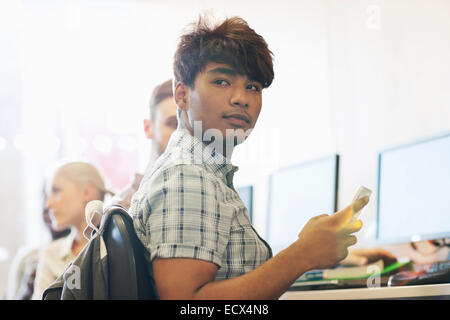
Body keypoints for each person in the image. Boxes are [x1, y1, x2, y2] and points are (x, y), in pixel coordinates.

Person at [31, 161, 113, 300]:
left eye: (56, 191)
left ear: (87, 192)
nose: (48, 204)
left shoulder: (115, 250)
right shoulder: (50, 254)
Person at [111, 79, 178, 210]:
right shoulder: (123, 208)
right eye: (174, 124)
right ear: (148, 128)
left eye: (192, 126)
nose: (184, 134)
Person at [5, 186, 70, 300]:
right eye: (46, 210)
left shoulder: (88, 253)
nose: (50, 213)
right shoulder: (28, 258)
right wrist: (27, 290)